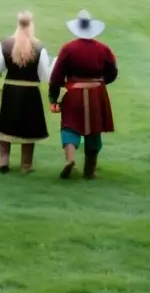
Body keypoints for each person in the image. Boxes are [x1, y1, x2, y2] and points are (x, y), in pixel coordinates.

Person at [49, 11, 118, 180]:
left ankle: (70, 159)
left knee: (69, 126)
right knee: (94, 130)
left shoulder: (68, 48)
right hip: (96, 93)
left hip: (73, 93)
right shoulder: (103, 49)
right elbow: (113, 71)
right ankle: (89, 171)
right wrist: (101, 82)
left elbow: (57, 75)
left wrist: (54, 97)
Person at [0, 11, 53, 174]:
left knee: (6, 124)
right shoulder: (39, 47)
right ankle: (26, 164)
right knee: (29, 127)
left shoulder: (4, 44)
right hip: (30, 91)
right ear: (32, 25)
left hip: (11, 90)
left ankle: (4, 159)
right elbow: (45, 75)